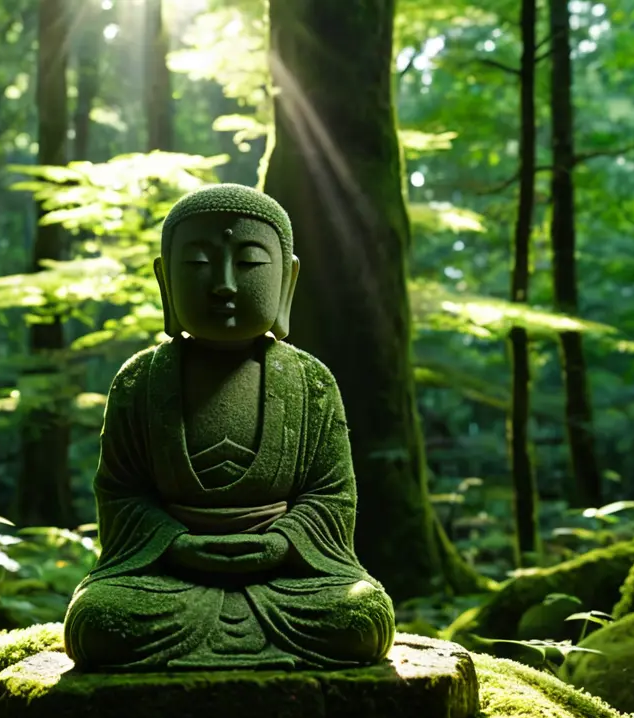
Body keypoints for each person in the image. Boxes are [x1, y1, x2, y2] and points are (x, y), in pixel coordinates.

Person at [63, 184, 396, 671]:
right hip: (170, 576)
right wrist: (176, 545)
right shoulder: (141, 380)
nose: (223, 284)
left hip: (285, 576)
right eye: (198, 264)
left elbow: (332, 496)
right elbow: (120, 493)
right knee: (99, 622)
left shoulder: (311, 381)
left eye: (249, 264)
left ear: (287, 280)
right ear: (165, 281)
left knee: (359, 615)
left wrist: (281, 544)